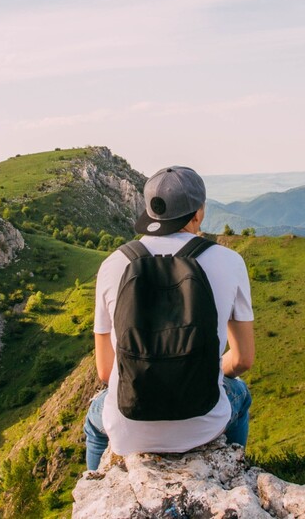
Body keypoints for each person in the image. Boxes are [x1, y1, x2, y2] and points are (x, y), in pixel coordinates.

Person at [84, 166, 255, 470]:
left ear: (150, 211)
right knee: (240, 393)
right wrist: (204, 368)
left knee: (94, 421)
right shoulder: (230, 261)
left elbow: (106, 372)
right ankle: (233, 468)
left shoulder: (112, 265)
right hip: (203, 424)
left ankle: (97, 479)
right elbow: (243, 360)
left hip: (130, 428)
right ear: (198, 213)